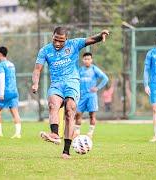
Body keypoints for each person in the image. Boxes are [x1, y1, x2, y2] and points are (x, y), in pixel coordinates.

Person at [31, 27, 109, 159]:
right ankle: (55, 134)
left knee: (69, 111)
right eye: (55, 39)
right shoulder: (45, 50)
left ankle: (66, 151)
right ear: (52, 36)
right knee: (52, 104)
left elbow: (91, 40)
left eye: (61, 41)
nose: (57, 43)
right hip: (56, 84)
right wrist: (35, 83)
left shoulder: (74, 44)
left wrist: (100, 35)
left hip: (72, 82)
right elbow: (37, 69)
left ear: (66, 39)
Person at [0, 46, 22, 139]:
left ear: (0, 54)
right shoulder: (11, 64)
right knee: (15, 112)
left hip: (6, 92)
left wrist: (2, 94)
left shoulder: (1, 65)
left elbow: (2, 79)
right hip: (14, 91)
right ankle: (18, 134)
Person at [74, 52, 108, 139]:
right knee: (78, 113)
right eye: (85, 59)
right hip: (81, 96)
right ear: (83, 60)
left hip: (91, 96)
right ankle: (77, 131)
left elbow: (105, 78)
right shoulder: (80, 70)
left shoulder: (94, 69)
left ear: (91, 60)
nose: (87, 61)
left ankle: (90, 132)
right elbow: (75, 80)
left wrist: (97, 87)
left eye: (88, 59)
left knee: (92, 114)